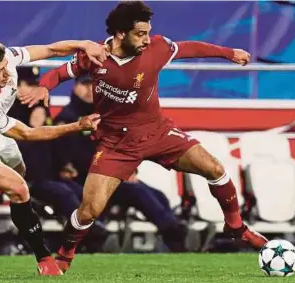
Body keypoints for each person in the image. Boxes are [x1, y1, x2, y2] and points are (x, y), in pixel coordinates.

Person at [21, 1, 268, 273]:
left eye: (148, 32)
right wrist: (44, 87)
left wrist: (229, 53)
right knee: (89, 210)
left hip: (158, 132)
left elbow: (190, 48)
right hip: (116, 145)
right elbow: (59, 73)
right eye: (140, 33)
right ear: (119, 34)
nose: (146, 39)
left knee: (216, 169)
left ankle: (236, 227)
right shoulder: (94, 55)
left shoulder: (157, 48)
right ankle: (65, 255)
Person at [0, 37, 107, 276]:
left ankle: (27, 211)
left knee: (22, 178)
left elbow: (49, 49)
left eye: (6, 65)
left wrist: (83, 44)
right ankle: (44, 258)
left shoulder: (6, 59)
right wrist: (77, 126)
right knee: (19, 188)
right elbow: (28, 134)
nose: (7, 73)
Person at [51, 73, 190, 252]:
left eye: (92, 85)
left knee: (157, 195)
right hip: (87, 180)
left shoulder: (106, 116)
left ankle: (174, 238)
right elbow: (74, 158)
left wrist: (129, 170)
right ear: (75, 87)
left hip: (108, 175)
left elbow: (123, 145)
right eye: (84, 85)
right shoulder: (68, 119)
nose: (88, 90)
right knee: (137, 191)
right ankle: (174, 232)